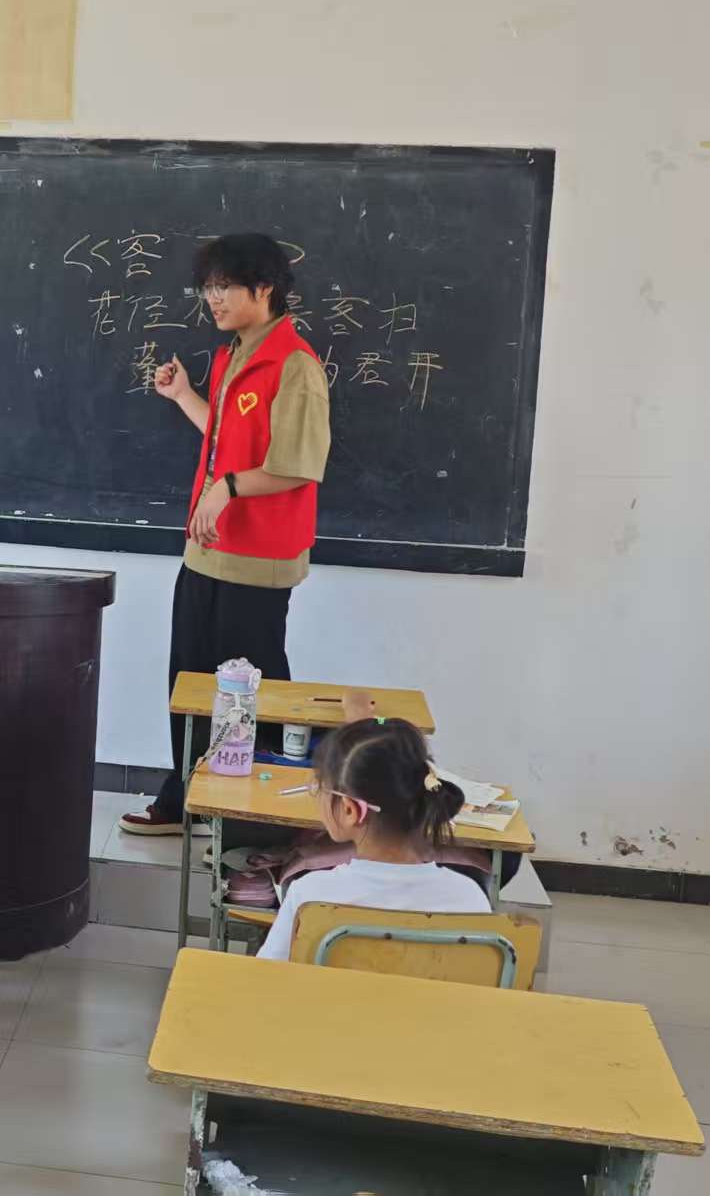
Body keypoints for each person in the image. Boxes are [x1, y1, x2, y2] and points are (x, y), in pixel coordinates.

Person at [121, 233, 331, 837]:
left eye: (225, 287)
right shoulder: (232, 355)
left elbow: (298, 466)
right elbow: (225, 438)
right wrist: (184, 395)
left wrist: (228, 488)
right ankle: (186, 795)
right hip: (208, 551)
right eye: (207, 288)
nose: (212, 299)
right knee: (189, 680)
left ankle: (262, 821)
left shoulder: (294, 366)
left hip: (258, 559)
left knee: (252, 691)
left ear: (264, 289)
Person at [256, 715, 490, 961]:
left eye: (320, 788)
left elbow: (267, 976)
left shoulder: (310, 896)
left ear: (350, 810)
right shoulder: (468, 899)